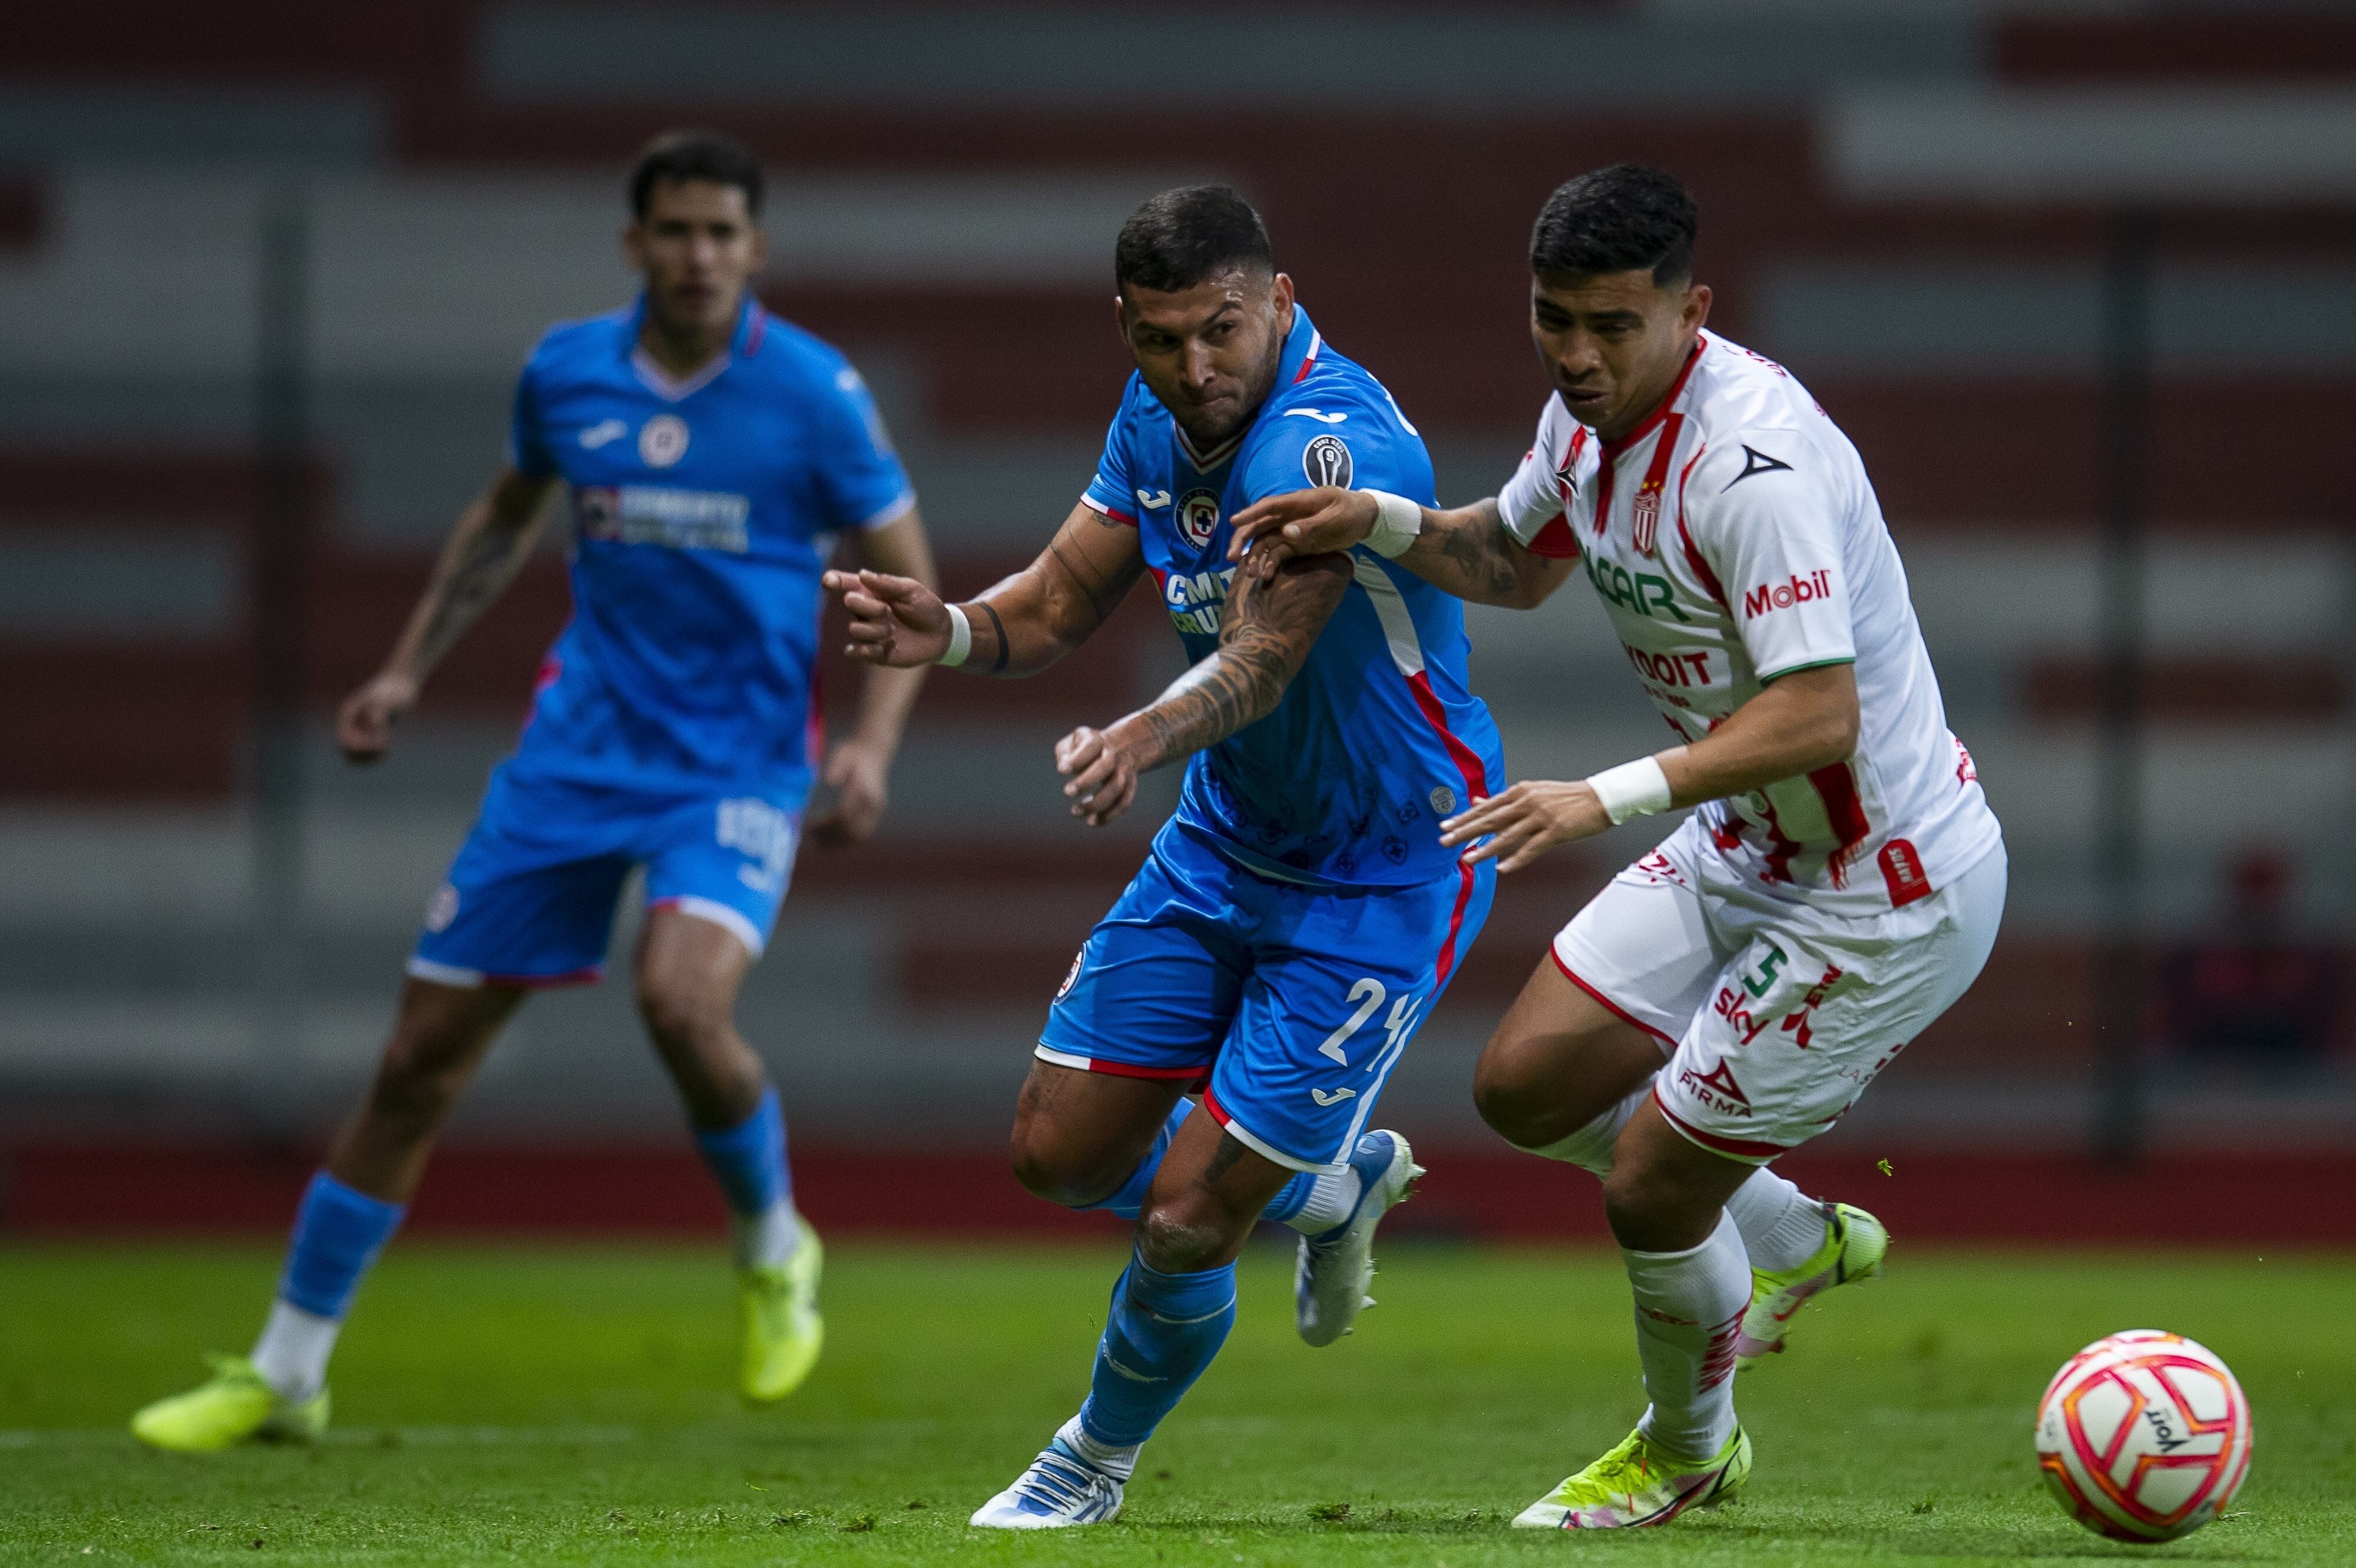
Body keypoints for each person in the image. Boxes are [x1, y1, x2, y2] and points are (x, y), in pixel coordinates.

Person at [130, 128, 938, 1451]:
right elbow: (505, 516)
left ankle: (772, 1237)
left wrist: (872, 745)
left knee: (679, 999)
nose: (698, 255)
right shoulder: (566, 372)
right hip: (573, 760)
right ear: (636, 244)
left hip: (733, 766)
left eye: (722, 233)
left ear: (757, 248)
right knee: (414, 1061)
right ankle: (287, 1369)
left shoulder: (814, 394)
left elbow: (904, 576)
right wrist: (402, 671)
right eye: (674, 231)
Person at [1228, 164, 2006, 1529]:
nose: (1576, 355)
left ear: (1688, 310)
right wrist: (1377, 525)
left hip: (1879, 884)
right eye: (1551, 320)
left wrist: (1602, 793)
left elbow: (1817, 708)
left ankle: (1684, 1445)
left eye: (1609, 325)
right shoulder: (1583, 423)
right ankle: (1790, 1237)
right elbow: (1514, 561)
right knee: (1524, 1085)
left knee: (1651, 1178)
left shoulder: (1748, 460)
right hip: (1747, 840)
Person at [827, 185, 1504, 1528]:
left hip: (1384, 871)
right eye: (1159, 339)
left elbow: (1258, 659)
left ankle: (1091, 1458)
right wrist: (950, 632)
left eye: (1221, 329)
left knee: (1188, 1215)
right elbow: (1065, 594)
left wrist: (1139, 733)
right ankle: (1325, 1180)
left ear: (1282, 304)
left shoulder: (1322, 447)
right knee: (1055, 1151)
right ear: (1125, 329)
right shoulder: (1157, 414)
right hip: (1226, 841)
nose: (1196, 369)